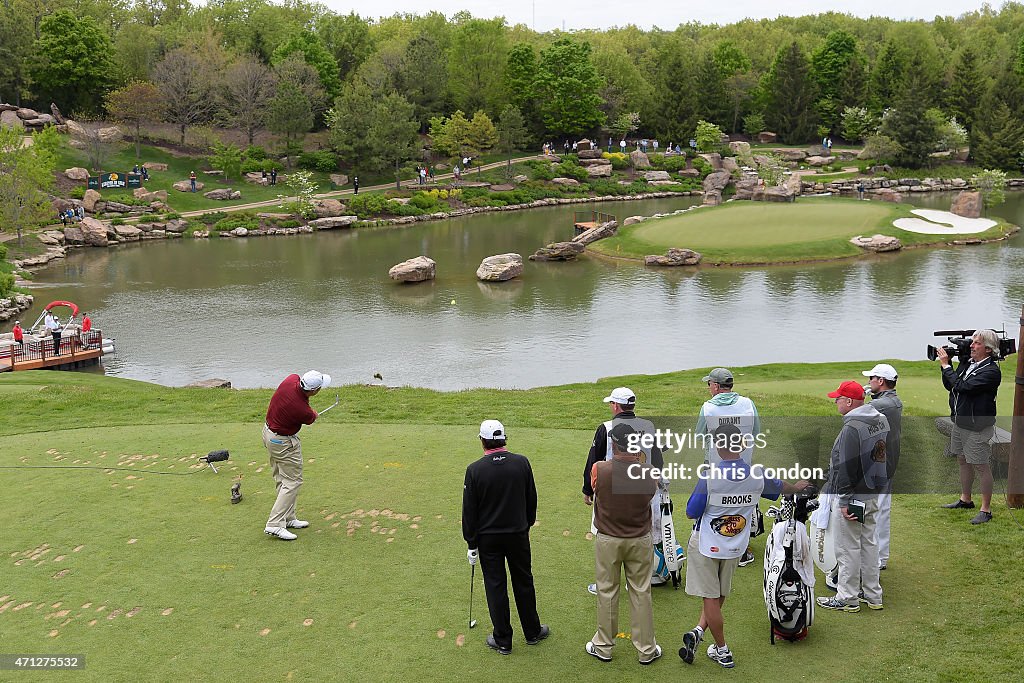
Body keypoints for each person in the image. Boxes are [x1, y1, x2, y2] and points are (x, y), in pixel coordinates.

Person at [680, 424, 810, 668]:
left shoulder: (709, 476)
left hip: (706, 542)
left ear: (718, 446)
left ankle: (723, 650)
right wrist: (797, 487)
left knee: (710, 596)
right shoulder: (756, 474)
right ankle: (698, 631)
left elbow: (690, 512)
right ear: (741, 445)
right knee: (718, 594)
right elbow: (781, 488)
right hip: (734, 545)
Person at [462, 420, 549, 655]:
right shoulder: (521, 463)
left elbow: (469, 511)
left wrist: (471, 542)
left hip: (488, 539)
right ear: (504, 439)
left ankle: (502, 639)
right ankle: (532, 632)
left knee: (495, 585)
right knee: (523, 581)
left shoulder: (475, 470)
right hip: (518, 534)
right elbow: (532, 498)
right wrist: (527, 523)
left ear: (482, 441)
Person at [586, 423, 662, 665]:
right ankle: (646, 650)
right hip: (639, 539)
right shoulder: (649, 471)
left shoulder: (600, 468)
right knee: (641, 592)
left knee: (607, 590)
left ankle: (604, 646)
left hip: (609, 539)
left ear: (614, 444)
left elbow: (595, 489)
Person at [582, 387, 667, 592]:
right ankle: (637, 581)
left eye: (611, 403)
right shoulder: (648, 426)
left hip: (612, 492)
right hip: (642, 492)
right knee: (639, 535)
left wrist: (588, 489)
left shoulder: (606, 427)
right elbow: (658, 461)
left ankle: (608, 584)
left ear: (616, 405)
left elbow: (594, 460)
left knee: (610, 537)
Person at [816, 381, 889, 613]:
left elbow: (846, 467)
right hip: (872, 492)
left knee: (848, 547)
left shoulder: (851, 428)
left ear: (849, 402)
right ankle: (873, 595)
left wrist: (845, 500)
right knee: (869, 543)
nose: (835, 401)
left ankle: (847, 597)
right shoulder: (879, 419)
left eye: (838, 398)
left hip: (853, 495)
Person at [695, 368, 761, 567]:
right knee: (741, 505)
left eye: (709, 385)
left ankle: (714, 547)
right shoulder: (748, 404)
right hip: (744, 466)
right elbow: (756, 433)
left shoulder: (708, 408)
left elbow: (700, 436)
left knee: (714, 506)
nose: (709, 388)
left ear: (715, 386)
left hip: (715, 467)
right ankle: (741, 549)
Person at [938, 329, 1003, 524]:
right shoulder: (969, 364)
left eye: (976, 343)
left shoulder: (991, 371)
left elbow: (963, 387)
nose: (971, 346)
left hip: (977, 426)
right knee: (962, 460)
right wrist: (946, 367)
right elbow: (951, 385)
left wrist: (946, 365)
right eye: (972, 342)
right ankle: (965, 500)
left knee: (981, 466)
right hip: (961, 422)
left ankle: (986, 510)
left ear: (989, 349)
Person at [262, 370, 331, 540]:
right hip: (283, 442)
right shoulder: (303, 410)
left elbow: (300, 400)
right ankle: (274, 524)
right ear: (314, 391)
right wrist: (313, 414)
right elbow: (310, 417)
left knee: (282, 479)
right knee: (292, 482)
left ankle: (288, 517)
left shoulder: (291, 379)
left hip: (268, 434)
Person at [862, 363, 902, 569]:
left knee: (880, 510)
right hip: (883, 461)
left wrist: (859, 393)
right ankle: (879, 557)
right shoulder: (886, 400)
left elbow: (856, 411)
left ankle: (879, 559)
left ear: (880, 381)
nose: (869, 382)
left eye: (871, 379)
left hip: (882, 464)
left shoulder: (885, 404)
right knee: (880, 509)